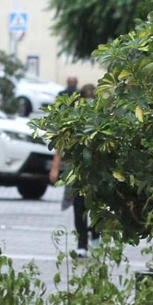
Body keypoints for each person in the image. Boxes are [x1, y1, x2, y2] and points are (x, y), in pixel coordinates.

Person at [49, 84, 101, 253]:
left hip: (96, 170)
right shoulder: (73, 120)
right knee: (79, 207)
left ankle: (95, 234)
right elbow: (61, 145)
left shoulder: (102, 119)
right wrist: (55, 167)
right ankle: (82, 244)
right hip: (77, 171)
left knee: (95, 205)